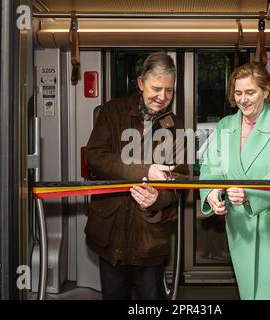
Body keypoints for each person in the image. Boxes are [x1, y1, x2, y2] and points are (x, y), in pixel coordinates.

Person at [199, 62, 270, 300]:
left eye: (250, 92)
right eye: (238, 93)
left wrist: (249, 193)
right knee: (251, 293)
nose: (243, 99)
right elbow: (212, 167)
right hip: (242, 227)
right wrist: (211, 192)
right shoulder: (225, 126)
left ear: (266, 91)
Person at [85, 52, 188, 300]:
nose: (162, 97)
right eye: (156, 88)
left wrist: (157, 199)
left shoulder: (176, 125)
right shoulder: (112, 112)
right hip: (111, 229)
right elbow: (96, 157)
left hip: (149, 233)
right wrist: (146, 171)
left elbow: (183, 177)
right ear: (141, 83)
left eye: (169, 90)